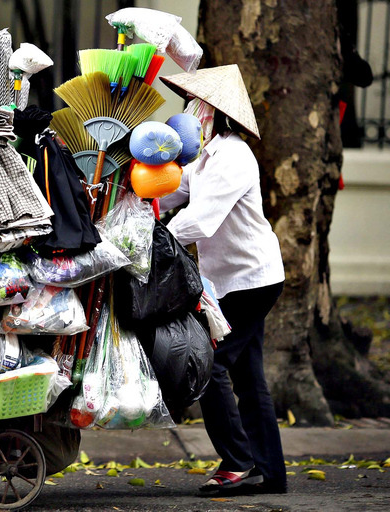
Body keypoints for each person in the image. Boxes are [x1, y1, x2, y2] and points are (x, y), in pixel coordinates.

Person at [157, 65, 287, 495]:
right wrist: (135, 201)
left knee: (209, 366)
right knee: (249, 378)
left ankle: (238, 461)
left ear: (215, 111)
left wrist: (154, 240)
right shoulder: (205, 157)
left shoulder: (233, 156)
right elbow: (175, 191)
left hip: (252, 279)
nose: (190, 112)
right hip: (231, 280)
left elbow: (201, 219)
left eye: (197, 105)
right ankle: (268, 472)